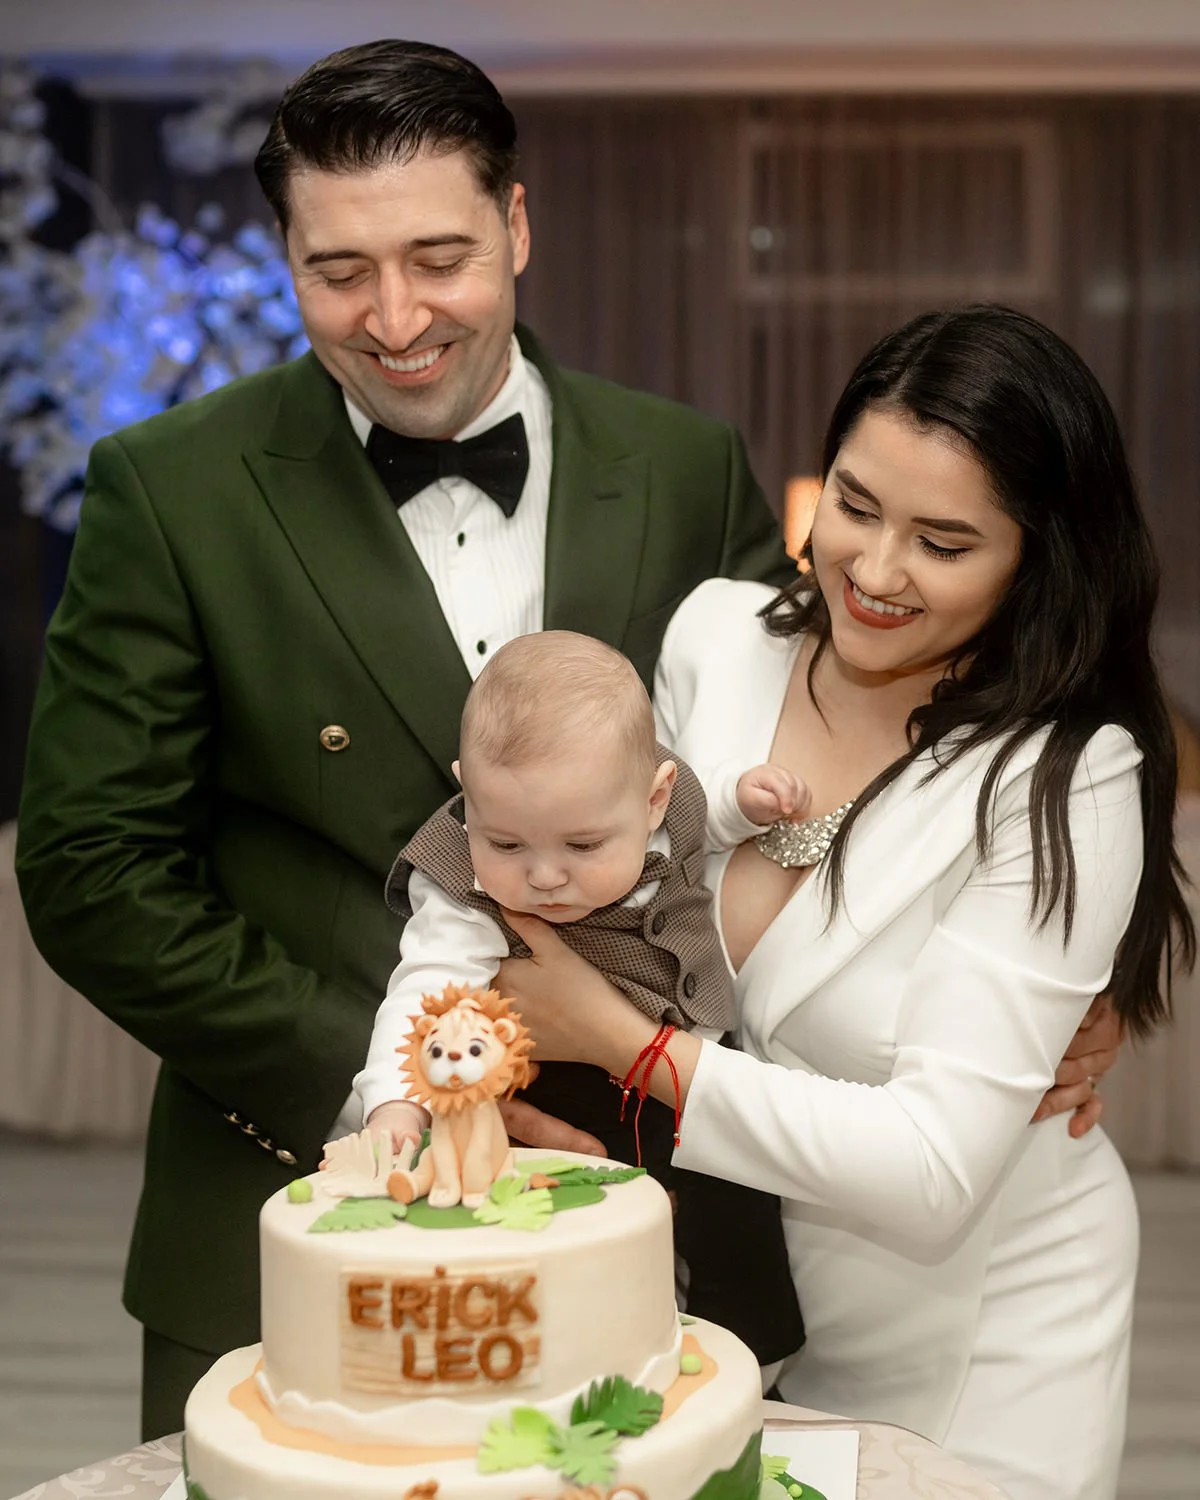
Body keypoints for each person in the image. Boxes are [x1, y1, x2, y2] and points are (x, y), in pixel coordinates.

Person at [14, 39, 1115, 1437]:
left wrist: (1067, 981)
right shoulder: (166, 490)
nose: (395, 315)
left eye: (439, 256)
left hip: (655, 1211)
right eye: (338, 270)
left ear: (519, 227)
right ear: (285, 255)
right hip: (292, 1195)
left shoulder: (684, 463)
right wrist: (421, 1078)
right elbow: (92, 873)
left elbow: (850, 768)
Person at [494, 304, 1195, 1500]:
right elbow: (618, 900)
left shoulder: (1068, 778)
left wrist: (622, 1046)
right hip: (724, 1295)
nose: (873, 571)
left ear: (1040, 554)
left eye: (944, 541)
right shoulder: (718, 638)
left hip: (977, 1332)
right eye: (855, 507)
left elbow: (931, 1167)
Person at [355, 629, 807, 1366]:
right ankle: (593, 1371)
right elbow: (427, 993)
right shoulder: (461, 886)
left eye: (584, 847)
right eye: (505, 844)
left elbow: (706, 816)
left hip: (696, 1071)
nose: (543, 877)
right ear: (468, 792)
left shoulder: (669, 797)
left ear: (654, 797)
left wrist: (741, 802)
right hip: (567, 1096)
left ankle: (754, 1364)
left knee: (739, 1222)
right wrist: (397, 1102)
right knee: (583, 1246)